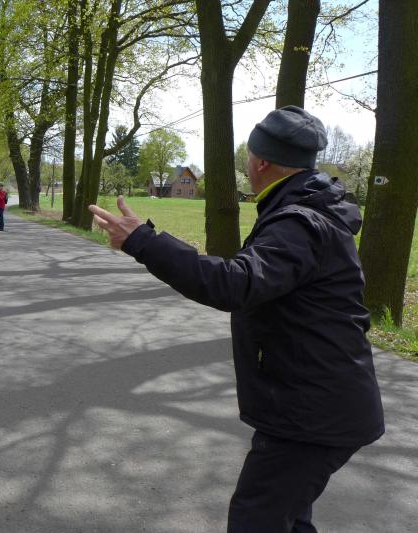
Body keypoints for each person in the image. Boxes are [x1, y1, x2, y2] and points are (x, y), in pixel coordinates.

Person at [89, 106, 384, 532]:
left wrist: (143, 242)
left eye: (249, 155)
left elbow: (234, 283)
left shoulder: (299, 223)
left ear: (260, 162)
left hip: (312, 414)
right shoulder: (303, 208)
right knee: (285, 518)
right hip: (316, 403)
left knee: (256, 520)